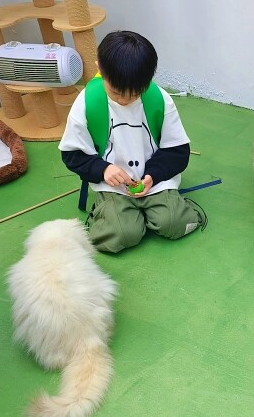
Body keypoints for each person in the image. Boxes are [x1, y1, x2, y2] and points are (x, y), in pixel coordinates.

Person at [59, 30, 204, 253]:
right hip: (113, 185)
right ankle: (123, 217)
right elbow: (72, 154)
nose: (125, 100)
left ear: (149, 80)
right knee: (120, 236)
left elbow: (178, 151)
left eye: (135, 94)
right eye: (117, 93)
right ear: (100, 68)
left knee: (175, 223)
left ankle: (157, 211)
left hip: (154, 180)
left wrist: (153, 175)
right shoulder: (87, 103)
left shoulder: (159, 99)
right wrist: (103, 170)